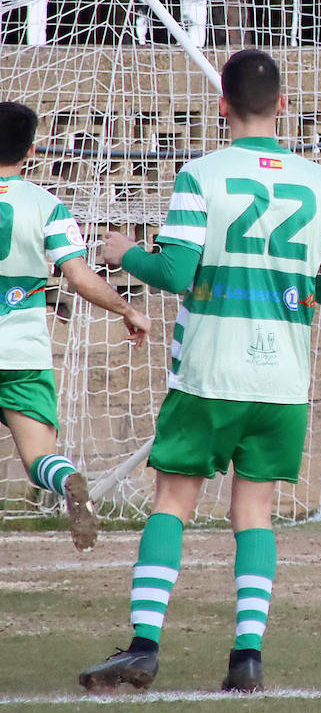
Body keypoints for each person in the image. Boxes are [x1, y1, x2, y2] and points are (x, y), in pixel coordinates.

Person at [78, 49, 321, 694]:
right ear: (284, 105)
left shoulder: (201, 175)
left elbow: (177, 272)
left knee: (173, 502)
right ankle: (247, 660)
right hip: (283, 381)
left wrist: (127, 254)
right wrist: (297, 283)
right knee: (255, 513)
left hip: (210, 372)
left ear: (222, 107)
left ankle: (145, 646)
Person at [0, 101, 150, 552]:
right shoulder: (47, 205)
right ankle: (67, 480)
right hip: (21, 352)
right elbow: (79, 276)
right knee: (40, 457)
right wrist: (126, 310)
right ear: (29, 152)